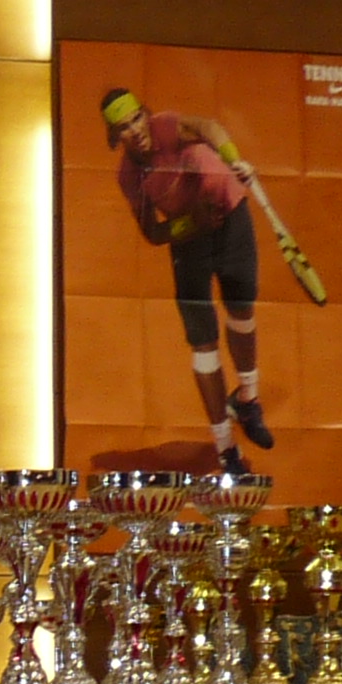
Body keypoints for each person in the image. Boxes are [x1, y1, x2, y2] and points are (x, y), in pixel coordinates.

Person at [102, 87, 273, 467]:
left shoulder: (167, 126)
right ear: (115, 137)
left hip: (231, 215)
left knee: (241, 312)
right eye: (124, 127)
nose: (135, 130)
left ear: (145, 115)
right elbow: (152, 232)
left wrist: (234, 159)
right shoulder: (129, 177)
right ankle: (225, 446)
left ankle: (247, 399)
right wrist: (190, 223)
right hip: (190, 243)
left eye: (136, 119)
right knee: (203, 344)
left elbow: (209, 127)